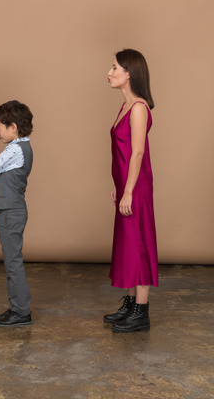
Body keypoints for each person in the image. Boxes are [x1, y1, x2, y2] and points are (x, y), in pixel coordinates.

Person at [103, 49, 158, 333]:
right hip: (126, 185)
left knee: (139, 244)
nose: (109, 73)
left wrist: (128, 191)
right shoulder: (125, 107)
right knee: (128, 244)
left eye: (114, 68)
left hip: (136, 187)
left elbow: (137, 154)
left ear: (129, 73)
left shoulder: (138, 108)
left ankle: (142, 311)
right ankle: (132, 302)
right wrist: (117, 185)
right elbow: (120, 154)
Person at [0, 100, 33, 327]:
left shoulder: (15, 149)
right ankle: (15, 308)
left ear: (13, 127)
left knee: (13, 263)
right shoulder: (21, 147)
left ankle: (21, 312)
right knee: (12, 262)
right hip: (11, 210)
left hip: (11, 212)